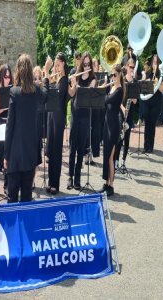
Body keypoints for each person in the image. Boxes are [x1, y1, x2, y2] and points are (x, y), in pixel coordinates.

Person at [4, 54, 49, 203]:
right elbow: (45, 95)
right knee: (27, 198)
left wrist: (6, 155)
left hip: (15, 155)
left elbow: (9, 126)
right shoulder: (36, 91)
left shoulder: (14, 92)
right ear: (30, 71)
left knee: (12, 198)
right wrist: (46, 74)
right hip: (30, 153)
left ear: (18, 70)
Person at [68, 52, 97, 190]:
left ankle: (78, 178)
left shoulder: (93, 78)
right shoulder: (75, 73)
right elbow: (71, 94)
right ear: (81, 64)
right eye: (84, 64)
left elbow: (90, 95)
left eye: (88, 64)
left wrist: (86, 87)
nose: (86, 67)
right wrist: (73, 83)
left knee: (81, 148)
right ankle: (70, 177)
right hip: (75, 114)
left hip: (85, 116)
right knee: (72, 147)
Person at [99, 64, 124, 196]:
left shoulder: (119, 90)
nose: (112, 77)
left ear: (120, 75)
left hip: (114, 126)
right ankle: (107, 183)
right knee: (106, 156)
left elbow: (107, 100)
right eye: (111, 75)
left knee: (110, 157)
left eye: (115, 75)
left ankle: (111, 186)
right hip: (107, 124)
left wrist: (102, 90)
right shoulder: (112, 87)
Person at [46, 52, 68, 195]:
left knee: (56, 152)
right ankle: (50, 181)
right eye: (56, 65)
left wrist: (47, 73)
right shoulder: (58, 78)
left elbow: (54, 95)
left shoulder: (65, 80)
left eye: (59, 64)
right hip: (51, 116)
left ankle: (55, 183)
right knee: (50, 150)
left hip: (59, 118)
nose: (57, 67)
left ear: (63, 64)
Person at [0, 64, 13, 197]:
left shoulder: (12, 90)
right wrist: (5, 107)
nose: (8, 79)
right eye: (5, 76)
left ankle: (6, 186)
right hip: (1, 124)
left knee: (8, 157)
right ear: (1, 77)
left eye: (9, 76)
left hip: (10, 124)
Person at [142, 54, 163, 153]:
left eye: (156, 62)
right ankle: (145, 146)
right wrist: (147, 81)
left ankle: (150, 146)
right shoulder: (148, 72)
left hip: (156, 102)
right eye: (153, 62)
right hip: (147, 101)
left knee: (152, 124)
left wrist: (157, 82)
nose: (155, 64)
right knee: (146, 123)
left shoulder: (161, 74)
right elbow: (143, 87)